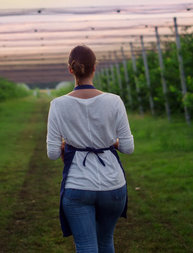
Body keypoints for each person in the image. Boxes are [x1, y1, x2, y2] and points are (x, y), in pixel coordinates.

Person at [46, 45, 134, 253]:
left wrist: (68, 145)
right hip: (113, 186)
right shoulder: (114, 101)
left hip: (78, 185)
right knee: (106, 242)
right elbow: (128, 148)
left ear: (70, 69)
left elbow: (52, 154)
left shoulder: (58, 104)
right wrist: (110, 142)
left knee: (86, 246)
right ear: (95, 67)